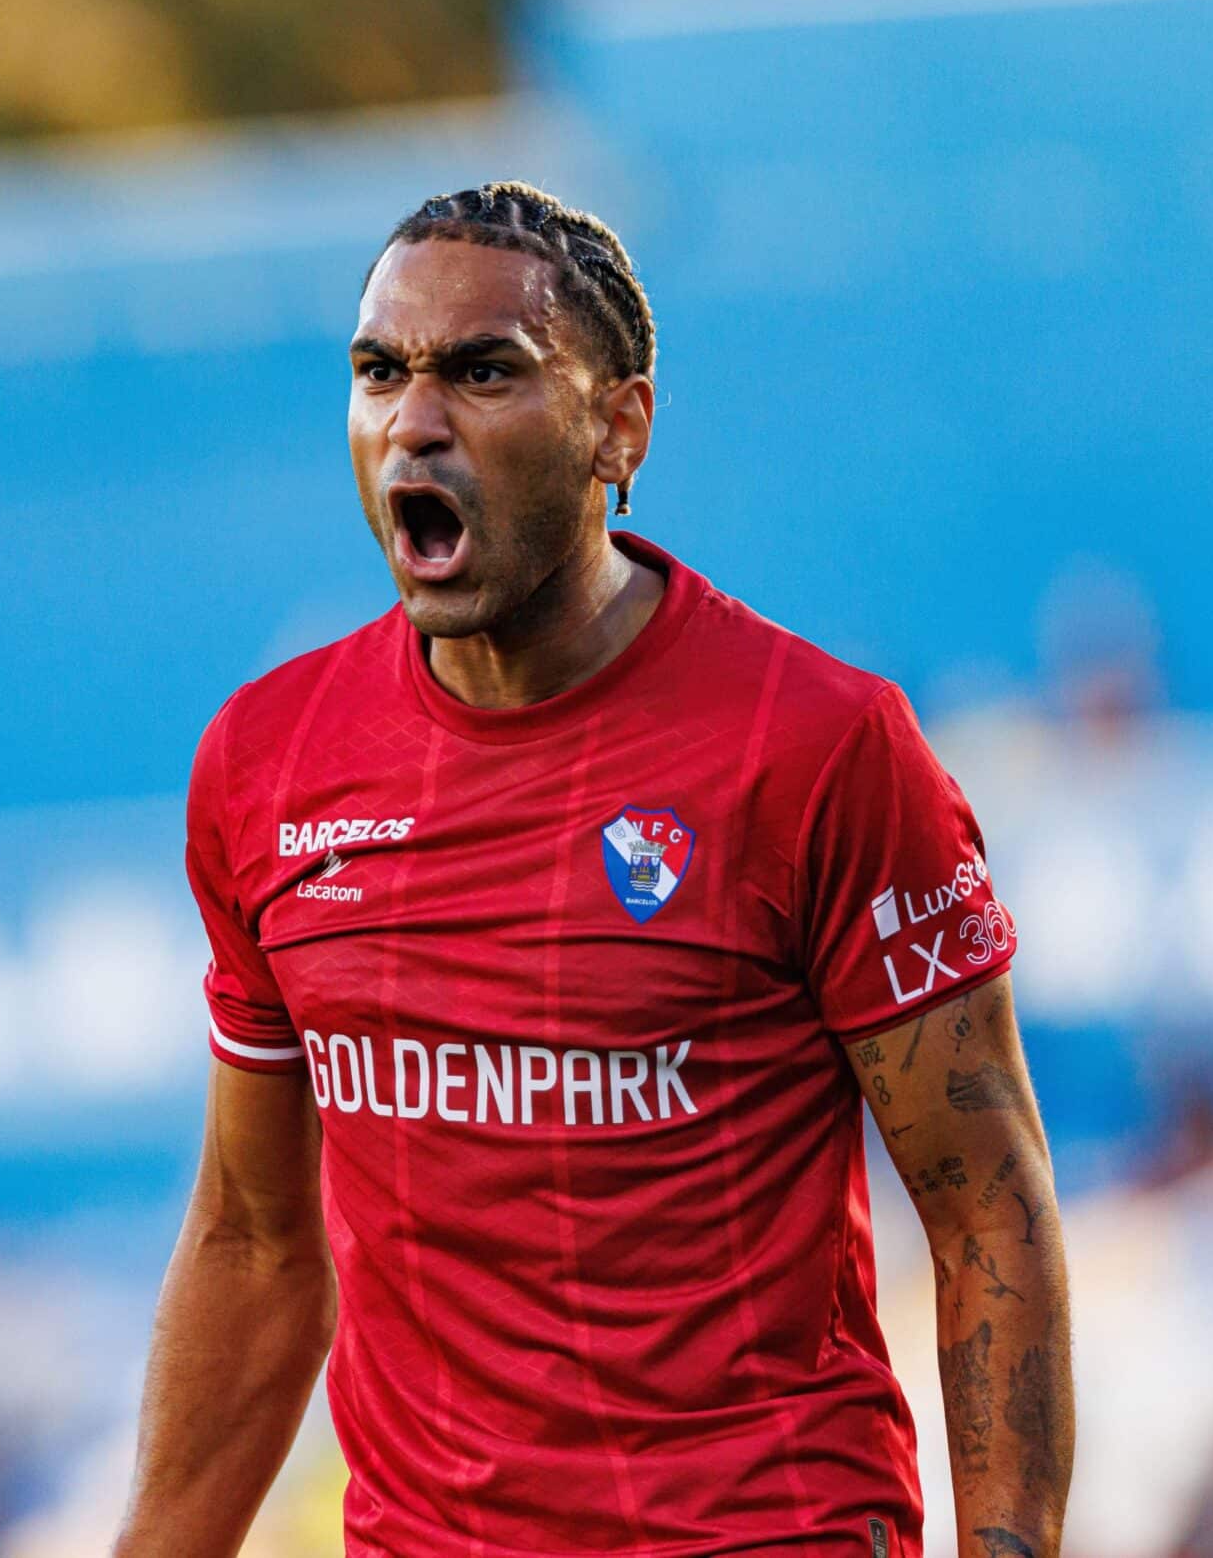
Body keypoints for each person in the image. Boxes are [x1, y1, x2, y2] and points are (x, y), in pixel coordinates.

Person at [117, 182, 1072, 1557]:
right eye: (380, 372)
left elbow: (990, 1210)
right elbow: (254, 1247)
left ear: (619, 425)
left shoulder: (817, 747)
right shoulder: (269, 765)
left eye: (485, 372)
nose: (416, 420)